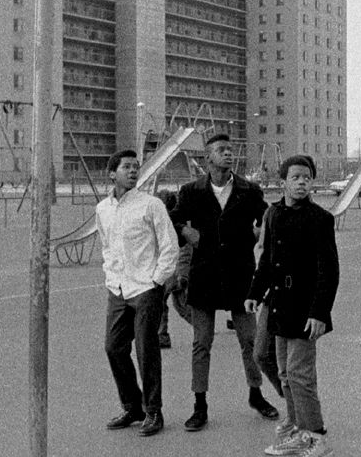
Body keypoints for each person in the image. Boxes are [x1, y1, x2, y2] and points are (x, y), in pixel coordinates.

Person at [165, 133, 281, 431]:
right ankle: (199, 405)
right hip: (204, 275)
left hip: (241, 274)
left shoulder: (248, 190)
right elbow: (173, 219)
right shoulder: (191, 191)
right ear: (208, 158)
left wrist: (260, 235)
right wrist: (186, 233)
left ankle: (256, 395)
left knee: (250, 341)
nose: (228, 154)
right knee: (201, 342)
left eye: (230, 150)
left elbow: (268, 217)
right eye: (221, 150)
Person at [249, 154, 340, 457]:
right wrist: (254, 293)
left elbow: (329, 271)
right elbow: (266, 259)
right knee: (281, 370)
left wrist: (319, 312)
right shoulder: (273, 214)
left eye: (307, 177)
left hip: (304, 308)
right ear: (283, 181)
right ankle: (299, 427)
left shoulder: (319, 218)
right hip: (278, 305)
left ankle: (316, 438)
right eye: (296, 177)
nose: (302, 182)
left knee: (300, 376)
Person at [97, 148, 181, 437]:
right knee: (113, 346)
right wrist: (110, 276)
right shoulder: (103, 209)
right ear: (112, 173)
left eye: (136, 167)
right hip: (118, 288)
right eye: (126, 167)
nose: (133, 171)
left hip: (146, 287)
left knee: (146, 349)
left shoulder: (151, 205)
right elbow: (107, 245)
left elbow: (169, 244)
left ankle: (153, 411)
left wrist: (158, 280)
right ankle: (132, 406)